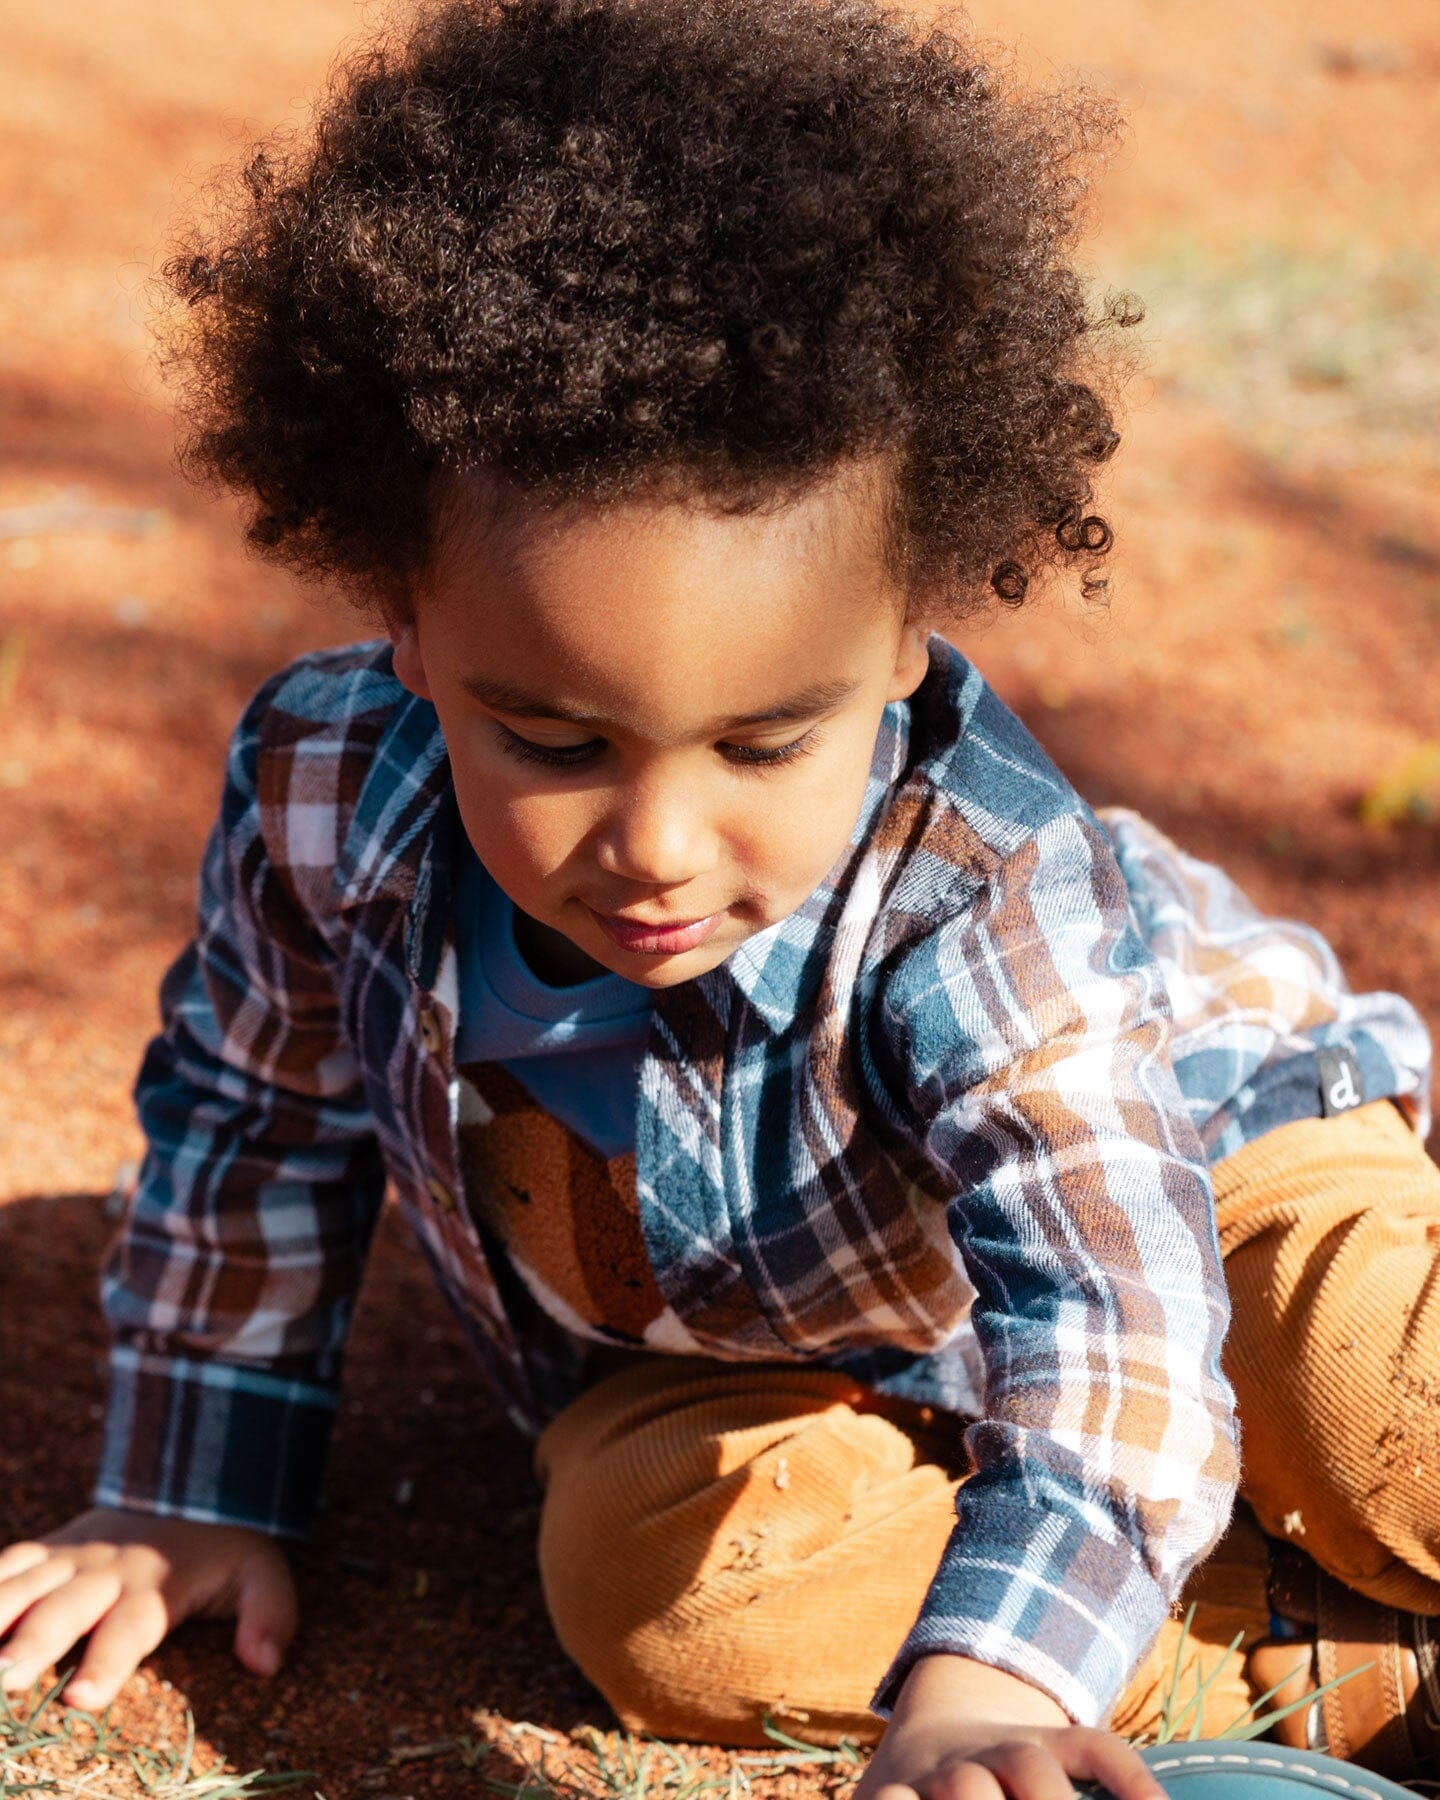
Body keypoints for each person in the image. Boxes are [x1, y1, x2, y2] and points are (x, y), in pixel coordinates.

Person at [2, 0, 1437, 1793]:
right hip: (758, 1356)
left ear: (908, 639)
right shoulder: (321, 786)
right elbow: (252, 1116)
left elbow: (1107, 1313)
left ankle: (1134, 1586)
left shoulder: (972, 881)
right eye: (549, 738)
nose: (659, 844)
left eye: (766, 744)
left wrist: (992, 1663)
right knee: (669, 1601)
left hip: (1209, 1188)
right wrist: (184, 1486)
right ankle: (1323, 1674)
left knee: (1376, 1388)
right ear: (409, 626)